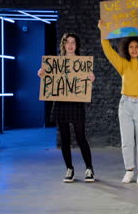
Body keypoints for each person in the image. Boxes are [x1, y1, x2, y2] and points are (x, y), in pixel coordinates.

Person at [98, 19, 138, 184]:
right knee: (126, 140)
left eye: (137, 46)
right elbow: (109, 52)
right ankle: (129, 170)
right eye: (131, 47)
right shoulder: (123, 64)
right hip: (125, 105)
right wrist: (103, 32)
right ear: (126, 49)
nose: (134, 49)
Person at [37, 32, 95, 183]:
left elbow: (85, 83)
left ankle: (89, 169)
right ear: (63, 45)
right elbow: (48, 79)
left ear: (77, 45)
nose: (70, 45)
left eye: (73, 42)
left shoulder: (83, 63)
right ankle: (69, 169)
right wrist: (42, 73)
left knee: (81, 137)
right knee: (65, 138)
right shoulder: (55, 63)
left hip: (76, 102)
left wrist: (90, 78)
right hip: (61, 103)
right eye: (67, 42)